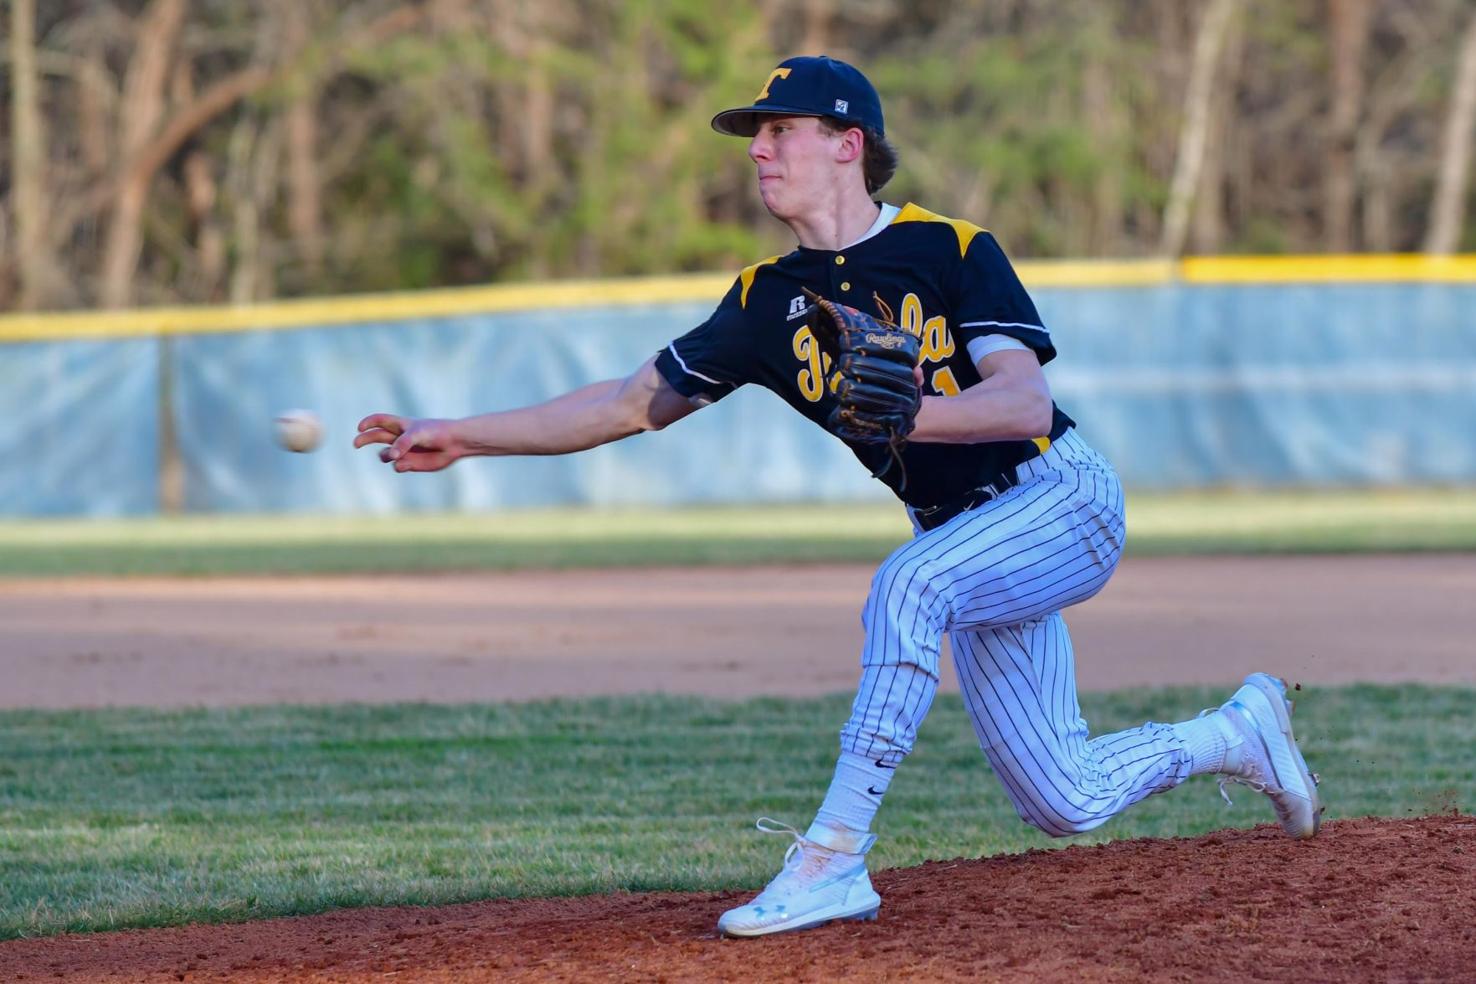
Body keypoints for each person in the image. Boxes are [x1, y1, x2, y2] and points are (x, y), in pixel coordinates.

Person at [354, 55, 1323, 938]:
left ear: (849, 144)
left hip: (1058, 501)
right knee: (1064, 798)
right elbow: (624, 404)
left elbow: (1024, 401)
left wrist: (913, 416)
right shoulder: (763, 302)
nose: (759, 150)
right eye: (756, 135)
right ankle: (1235, 733)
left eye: (782, 131)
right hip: (963, 538)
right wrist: (464, 434)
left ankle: (832, 858)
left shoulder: (948, 248)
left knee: (909, 587)